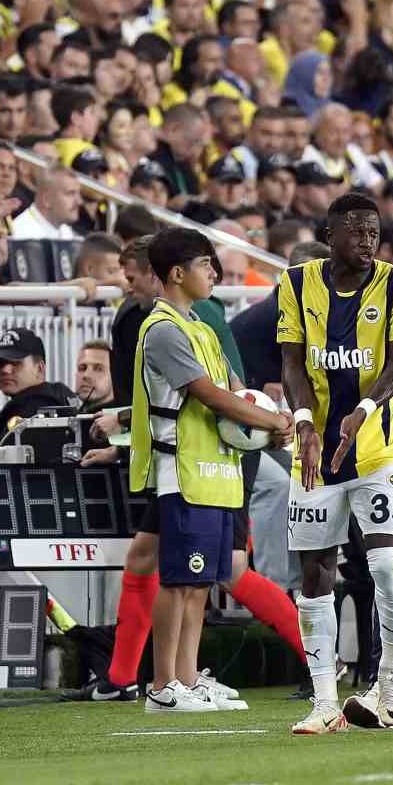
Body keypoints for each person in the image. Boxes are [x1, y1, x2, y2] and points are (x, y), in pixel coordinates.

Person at [129, 227, 294, 713]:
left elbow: (236, 387)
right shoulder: (163, 329)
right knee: (178, 580)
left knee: (201, 583)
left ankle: (187, 677)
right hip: (183, 469)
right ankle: (162, 686)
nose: (214, 274)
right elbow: (209, 393)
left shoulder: (201, 325)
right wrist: (268, 420)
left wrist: (270, 423)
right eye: (205, 265)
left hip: (219, 471)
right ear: (177, 274)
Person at [279, 193, 393, 734]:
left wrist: (362, 410)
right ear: (329, 232)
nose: (367, 242)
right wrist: (304, 422)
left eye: (373, 232)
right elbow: (292, 362)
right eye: (356, 232)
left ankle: (390, 677)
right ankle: (323, 702)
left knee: (385, 565)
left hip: (377, 449)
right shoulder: (295, 284)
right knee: (314, 575)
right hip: (313, 456)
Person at [0, 327, 82, 444]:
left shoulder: (36, 410)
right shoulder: (61, 398)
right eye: (0, 363)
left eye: (16, 362)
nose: (5, 370)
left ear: (39, 368)